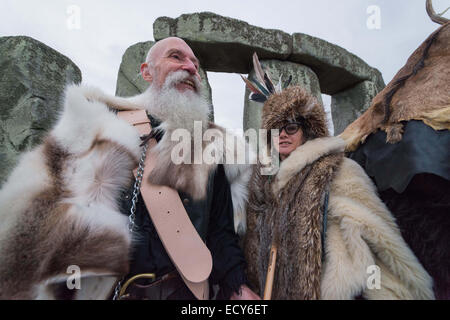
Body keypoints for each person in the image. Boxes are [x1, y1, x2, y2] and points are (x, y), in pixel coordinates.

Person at [0, 37, 259, 300]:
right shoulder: (100, 128)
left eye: (195, 63)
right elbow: (40, 216)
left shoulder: (212, 151)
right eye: (176, 57)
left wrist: (238, 287)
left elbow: (220, 233)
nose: (191, 68)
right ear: (147, 71)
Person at [242, 79, 435, 299]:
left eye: (291, 127)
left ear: (307, 131)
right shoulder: (262, 180)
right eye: (276, 130)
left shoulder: (339, 170)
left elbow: (376, 235)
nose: (283, 135)